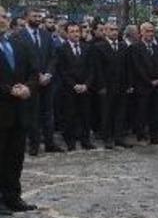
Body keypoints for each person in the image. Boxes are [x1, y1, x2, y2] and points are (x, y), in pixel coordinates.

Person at [0, 7, 37, 216]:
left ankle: (13, 197)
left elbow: (33, 70)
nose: (7, 19)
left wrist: (28, 87)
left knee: (15, 157)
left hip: (20, 111)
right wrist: (9, 90)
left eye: (6, 16)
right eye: (3, 16)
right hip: (2, 108)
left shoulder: (17, 43)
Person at [19, 9, 61, 156]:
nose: (37, 19)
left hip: (47, 82)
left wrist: (48, 74)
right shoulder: (19, 36)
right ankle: (34, 144)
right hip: (30, 82)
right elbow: (22, 61)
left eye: (39, 16)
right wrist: (37, 76)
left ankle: (49, 143)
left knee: (48, 112)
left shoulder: (46, 35)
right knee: (32, 114)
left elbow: (53, 57)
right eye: (34, 16)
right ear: (26, 18)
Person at [56, 22, 97, 151]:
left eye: (77, 31)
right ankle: (70, 141)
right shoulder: (61, 49)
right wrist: (74, 85)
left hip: (85, 88)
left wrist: (86, 84)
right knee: (70, 116)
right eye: (72, 31)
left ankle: (85, 141)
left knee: (86, 115)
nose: (75, 34)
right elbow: (62, 71)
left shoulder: (87, 47)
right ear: (67, 34)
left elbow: (92, 69)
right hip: (69, 89)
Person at [92, 21, 131, 149]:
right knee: (107, 113)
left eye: (116, 29)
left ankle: (119, 137)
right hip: (106, 86)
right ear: (105, 31)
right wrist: (101, 86)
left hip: (121, 85)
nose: (115, 32)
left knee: (120, 113)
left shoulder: (123, 46)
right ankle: (107, 137)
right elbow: (97, 69)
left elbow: (127, 67)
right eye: (111, 29)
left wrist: (128, 84)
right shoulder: (99, 47)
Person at [129, 22, 158, 144]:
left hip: (157, 86)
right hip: (143, 86)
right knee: (142, 113)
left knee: (155, 113)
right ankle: (141, 136)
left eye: (152, 31)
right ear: (142, 32)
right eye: (148, 31)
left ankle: (154, 137)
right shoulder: (135, 47)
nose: (150, 34)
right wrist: (149, 81)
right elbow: (137, 67)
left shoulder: (157, 47)